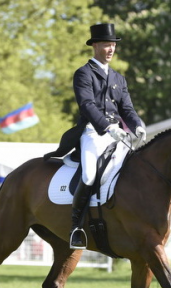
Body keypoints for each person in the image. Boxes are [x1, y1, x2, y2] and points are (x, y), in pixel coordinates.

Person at [45, 23, 146, 249]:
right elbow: (87, 105)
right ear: (95, 46)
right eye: (106, 45)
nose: (110, 49)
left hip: (118, 135)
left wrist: (137, 125)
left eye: (113, 45)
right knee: (90, 176)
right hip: (92, 133)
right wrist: (108, 127)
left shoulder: (119, 78)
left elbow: (126, 109)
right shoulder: (84, 73)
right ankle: (76, 227)